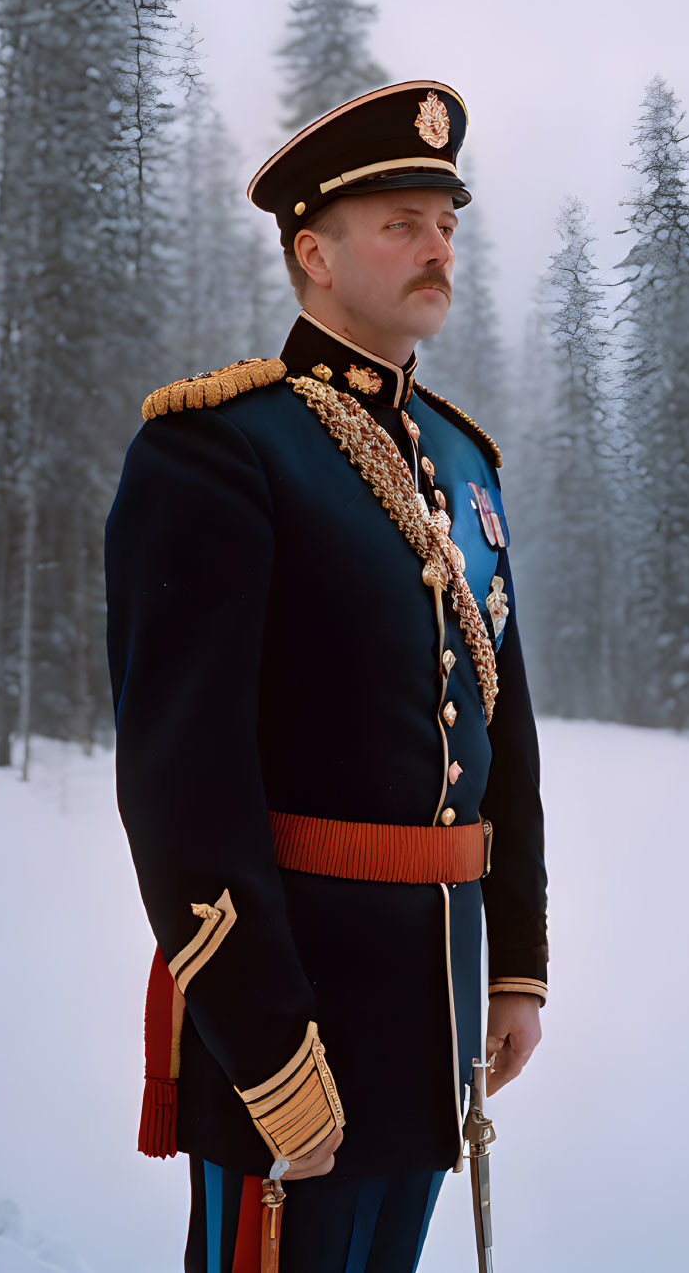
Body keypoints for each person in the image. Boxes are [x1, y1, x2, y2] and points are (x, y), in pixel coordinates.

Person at [105, 81, 548, 1273]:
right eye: (403, 219)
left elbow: (506, 741)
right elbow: (180, 782)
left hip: (433, 1015)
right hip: (299, 1013)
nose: (438, 244)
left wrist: (514, 964)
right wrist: (264, 1043)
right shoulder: (219, 448)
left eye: (447, 221)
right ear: (313, 249)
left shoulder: (463, 460)